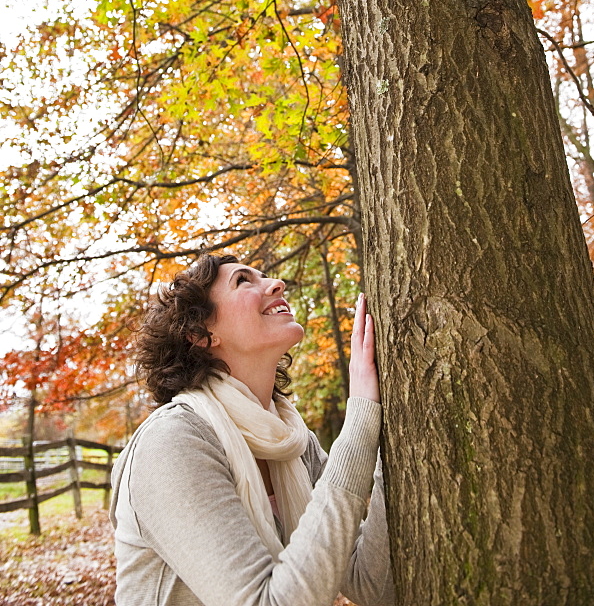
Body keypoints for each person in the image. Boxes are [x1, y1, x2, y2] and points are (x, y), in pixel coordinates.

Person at [110, 252, 395, 606]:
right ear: (200, 333)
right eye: (244, 281)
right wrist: (360, 420)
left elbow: (372, 584)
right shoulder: (172, 442)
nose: (277, 284)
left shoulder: (292, 440)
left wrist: (394, 443)